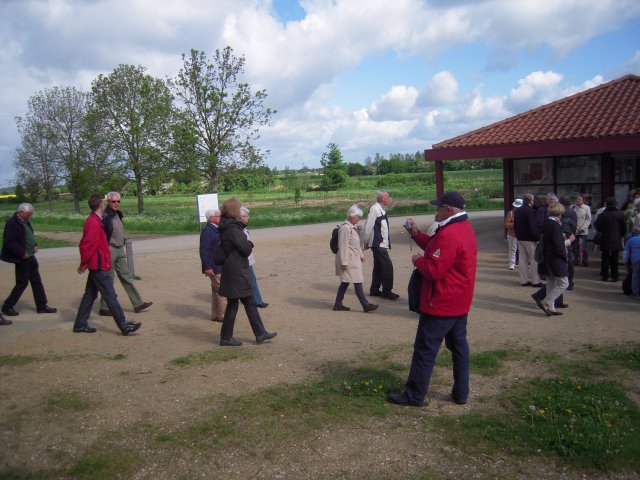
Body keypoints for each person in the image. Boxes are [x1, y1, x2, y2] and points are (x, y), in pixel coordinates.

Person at [387, 191, 477, 407]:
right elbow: (438, 250)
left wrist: (418, 261)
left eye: (438, 208)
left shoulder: (450, 233)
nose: (435, 211)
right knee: (459, 348)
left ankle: (415, 395)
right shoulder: (463, 228)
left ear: (449, 209)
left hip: (441, 302)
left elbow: (434, 269)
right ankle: (460, 393)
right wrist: (416, 233)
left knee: (425, 350)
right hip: (458, 301)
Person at [73, 194, 142, 335]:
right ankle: (124, 326)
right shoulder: (93, 222)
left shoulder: (96, 220)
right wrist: (84, 263)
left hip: (97, 263)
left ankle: (80, 324)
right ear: (101, 205)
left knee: (90, 295)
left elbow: (95, 243)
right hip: (98, 265)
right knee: (110, 296)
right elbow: (87, 245)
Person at [217, 198, 276, 347]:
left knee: (245, 303)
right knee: (236, 304)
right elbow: (246, 248)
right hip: (236, 271)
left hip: (233, 270)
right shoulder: (233, 229)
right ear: (234, 210)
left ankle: (259, 333)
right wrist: (249, 243)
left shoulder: (227, 226)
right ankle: (227, 337)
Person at [99, 191, 152, 316]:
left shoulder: (117, 214)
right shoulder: (105, 215)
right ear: (108, 202)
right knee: (109, 279)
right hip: (110, 250)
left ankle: (138, 304)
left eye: (118, 201)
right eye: (114, 201)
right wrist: (106, 246)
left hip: (120, 249)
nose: (116, 203)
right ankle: (104, 307)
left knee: (126, 276)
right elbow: (101, 234)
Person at [1, 203, 56, 316]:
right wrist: (21, 253)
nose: (29, 217)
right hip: (22, 258)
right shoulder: (12, 223)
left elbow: (28, 235)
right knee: (22, 283)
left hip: (31, 256)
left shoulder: (24, 221)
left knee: (36, 281)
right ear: (21, 212)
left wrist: (34, 244)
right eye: (28, 214)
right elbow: (9, 242)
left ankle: (41, 306)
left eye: (30, 215)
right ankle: (7, 306)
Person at [333, 205, 379, 313]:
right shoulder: (345, 228)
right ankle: (365, 305)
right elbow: (343, 246)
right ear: (351, 216)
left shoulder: (351, 228)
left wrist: (361, 256)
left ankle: (338, 304)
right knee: (357, 281)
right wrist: (344, 262)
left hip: (353, 260)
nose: (359, 219)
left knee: (345, 282)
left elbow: (356, 244)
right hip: (349, 261)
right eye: (357, 217)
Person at [531, 202, 573, 316]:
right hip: (555, 258)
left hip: (547, 258)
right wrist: (569, 242)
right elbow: (558, 245)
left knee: (551, 282)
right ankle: (547, 302)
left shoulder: (547, 223)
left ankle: (552, 307)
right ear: (559, 213)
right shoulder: (555, 225)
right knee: (564, 283)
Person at [363, 190, 399, 300]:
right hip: (378, 243)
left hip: (380, 243)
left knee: (379, 266)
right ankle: (387, 291)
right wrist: (365, 242)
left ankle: (374, 289)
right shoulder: (375, 209)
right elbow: (368, 226)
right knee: (387, 266)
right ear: (382, 199)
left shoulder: (381, 209)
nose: (389, 199)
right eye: (388, 197)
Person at [199, 209, 226, 322]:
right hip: (214, 267)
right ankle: (223, 316)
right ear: (211, 218)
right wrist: (207, 267)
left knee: (216, 292)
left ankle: (216, 315)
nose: (221, 218)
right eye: (218, 216)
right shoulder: (207, 231)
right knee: (222, 291)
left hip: (216, 265)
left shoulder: (215, 229)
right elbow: (204, 250)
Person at [240, 207, 268, 308]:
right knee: (251, 280)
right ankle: (257, 301)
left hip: (247, 259)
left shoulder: (243, 228)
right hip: (244, 260)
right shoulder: (239, 229)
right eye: (246, 216)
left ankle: (255, 300)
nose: (248, 217)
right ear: (240, 217)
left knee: (249, 280)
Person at [513, 193, 543, 287]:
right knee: (534, 260)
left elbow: (515, 225)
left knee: (522, 260)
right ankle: (535, 281)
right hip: (530, 239)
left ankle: (523, 280)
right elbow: (532, 226)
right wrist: (537, 238)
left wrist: (518, 235)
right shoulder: (530, 211)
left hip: (520, 238)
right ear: (531, 201)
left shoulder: (517, 211)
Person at [594, 197, 627, 282]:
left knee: (605, 257)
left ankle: (605, 276)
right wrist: (620, 235)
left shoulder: (602, 215)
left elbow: (597, 226)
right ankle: (614, 276)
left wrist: (603, 232)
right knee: (615, 259)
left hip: (605, 238)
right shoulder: (620, 214)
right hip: (616, 238)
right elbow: (624, 228)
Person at [571, 195, 592, 266]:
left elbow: (588, 219)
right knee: (575, 246)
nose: (577, 200)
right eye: (577, 199)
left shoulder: (586, 208)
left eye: (579, 199)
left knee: (583, 247)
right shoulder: (572, 207)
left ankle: (584, 260)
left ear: (583, 201)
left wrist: (583, 228)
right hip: (575, 230)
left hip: (583, 231)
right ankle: (575, 260)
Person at [623, 225, 640, 299]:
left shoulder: (631, 240)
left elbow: (626, 254)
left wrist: (626, 264)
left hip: (636, 260)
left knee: (635, 276)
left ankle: (636, 293)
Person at [505, 199, 522, 270]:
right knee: (513, 249)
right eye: (516, 207)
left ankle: (521, 263)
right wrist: (516, 224)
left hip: (521, 234)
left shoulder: (523, 213)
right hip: (512, 234)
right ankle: (512, 263)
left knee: (522, 249)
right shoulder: (510, 213)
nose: (517, 208)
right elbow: (507, 224)